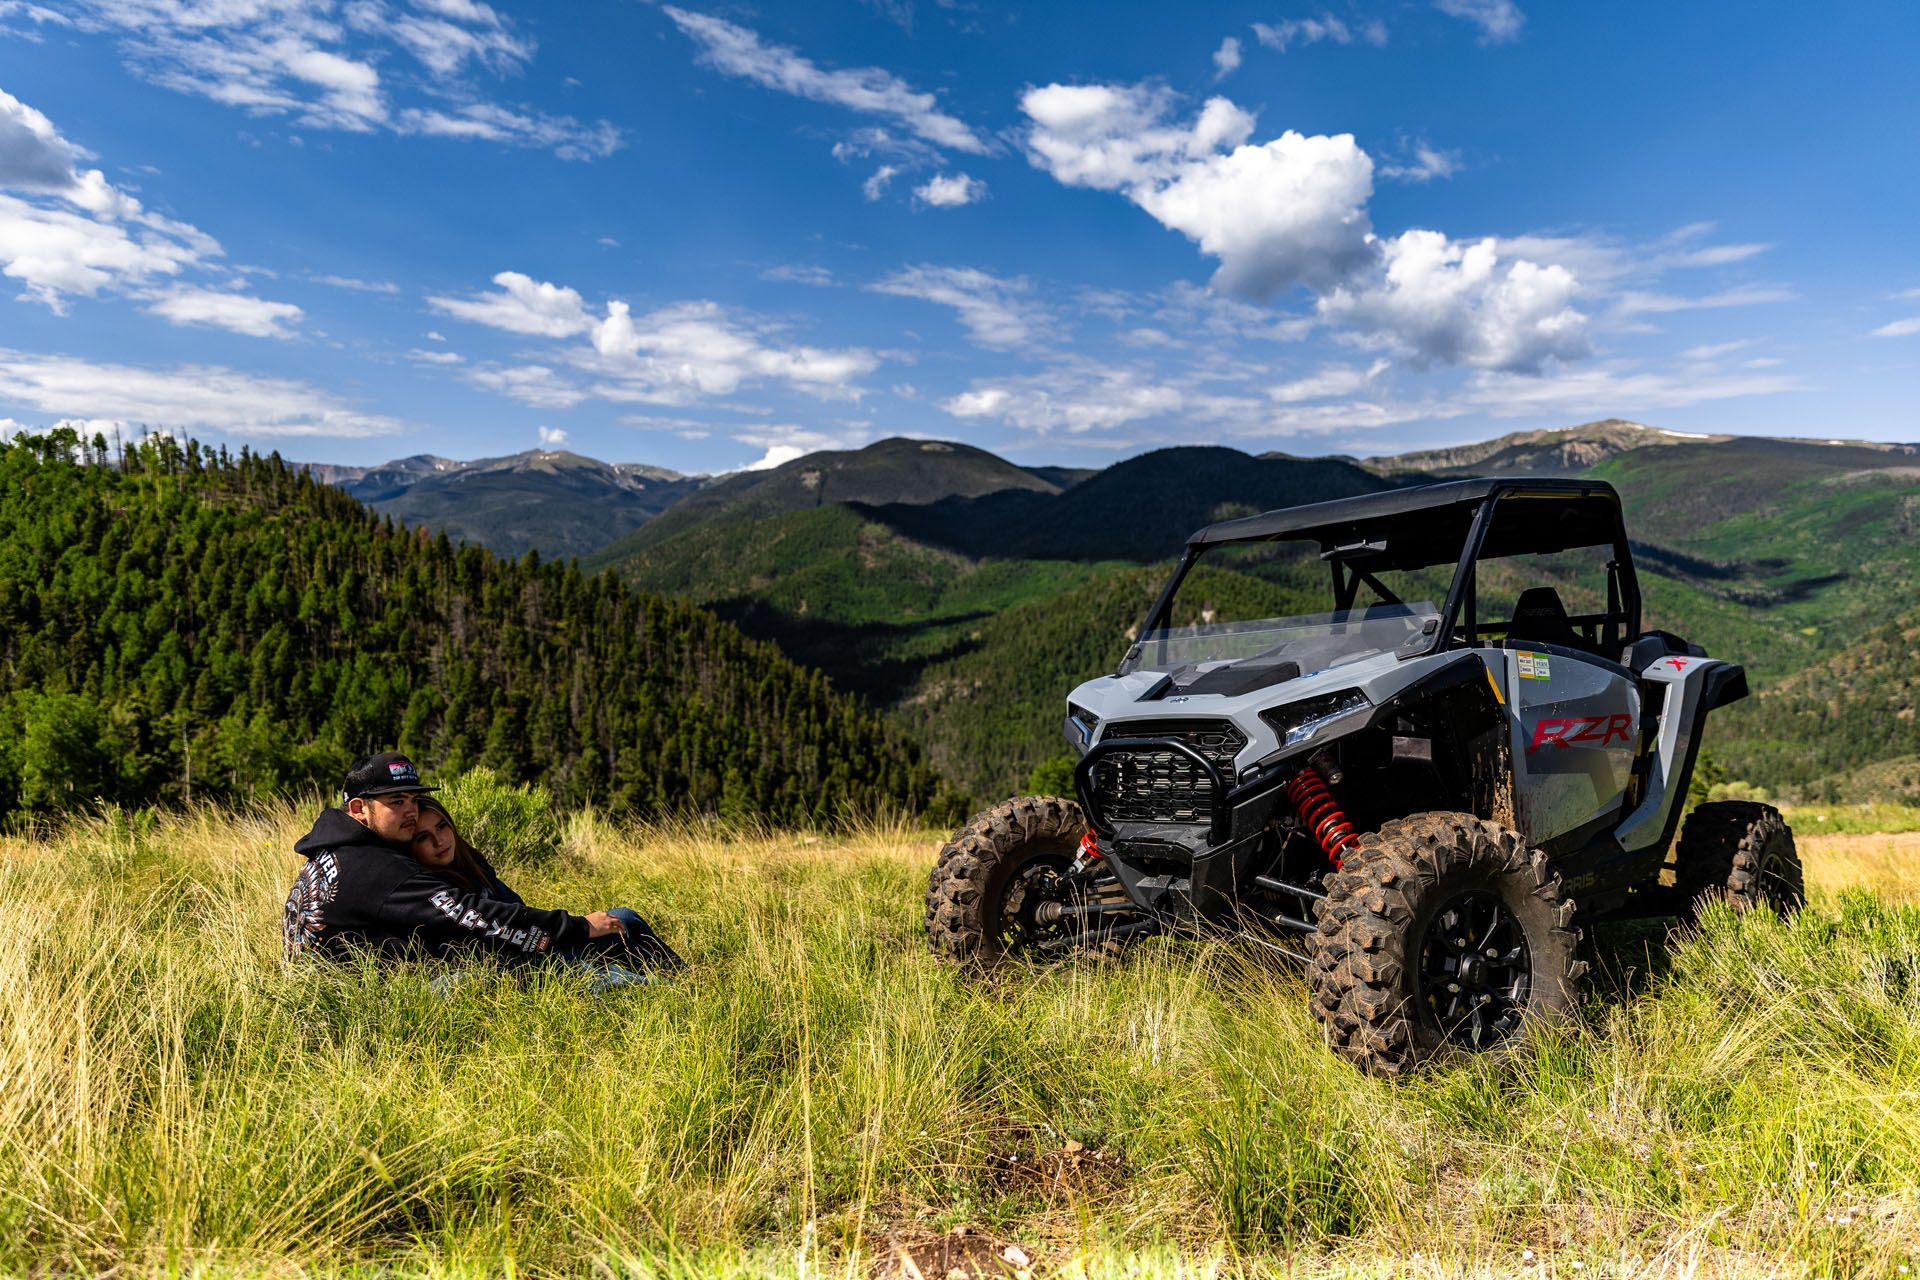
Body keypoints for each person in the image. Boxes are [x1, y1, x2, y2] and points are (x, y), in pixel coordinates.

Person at [282, 751, 627, 965]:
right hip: (377, 1005)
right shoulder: (377, 867)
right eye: (396, 802)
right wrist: (578, 927)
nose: (411, 812)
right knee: (610, 935)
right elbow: (475, 916)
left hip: (343, 992)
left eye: (413, 800)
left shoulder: (334, 849)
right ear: (359, 809)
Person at [408, 795, 684, 975]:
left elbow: (516, 907)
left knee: (623, 919)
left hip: (538, 944)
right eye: (423, 837)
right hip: (518, 966)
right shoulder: (434, 889)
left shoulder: (470, 863)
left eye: (442, 827)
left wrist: (570, 930)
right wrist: (576, 930)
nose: (439, 841)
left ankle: (681, 977)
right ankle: (666, 986)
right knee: (615, 942)